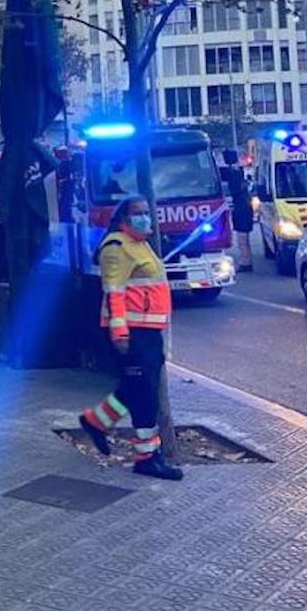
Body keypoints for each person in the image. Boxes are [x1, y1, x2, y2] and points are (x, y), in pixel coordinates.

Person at [76, 196, 183, 481]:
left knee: (136, 388)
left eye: (147, 212)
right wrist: (120, 334)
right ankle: (147, 457)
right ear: (123, 217)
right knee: (144, 395)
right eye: (138, 213)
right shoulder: (117, 247)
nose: (145, 217)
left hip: (148, 331)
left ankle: (95, 422)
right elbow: (113, 293)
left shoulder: (139, 243)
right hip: (132, 333)